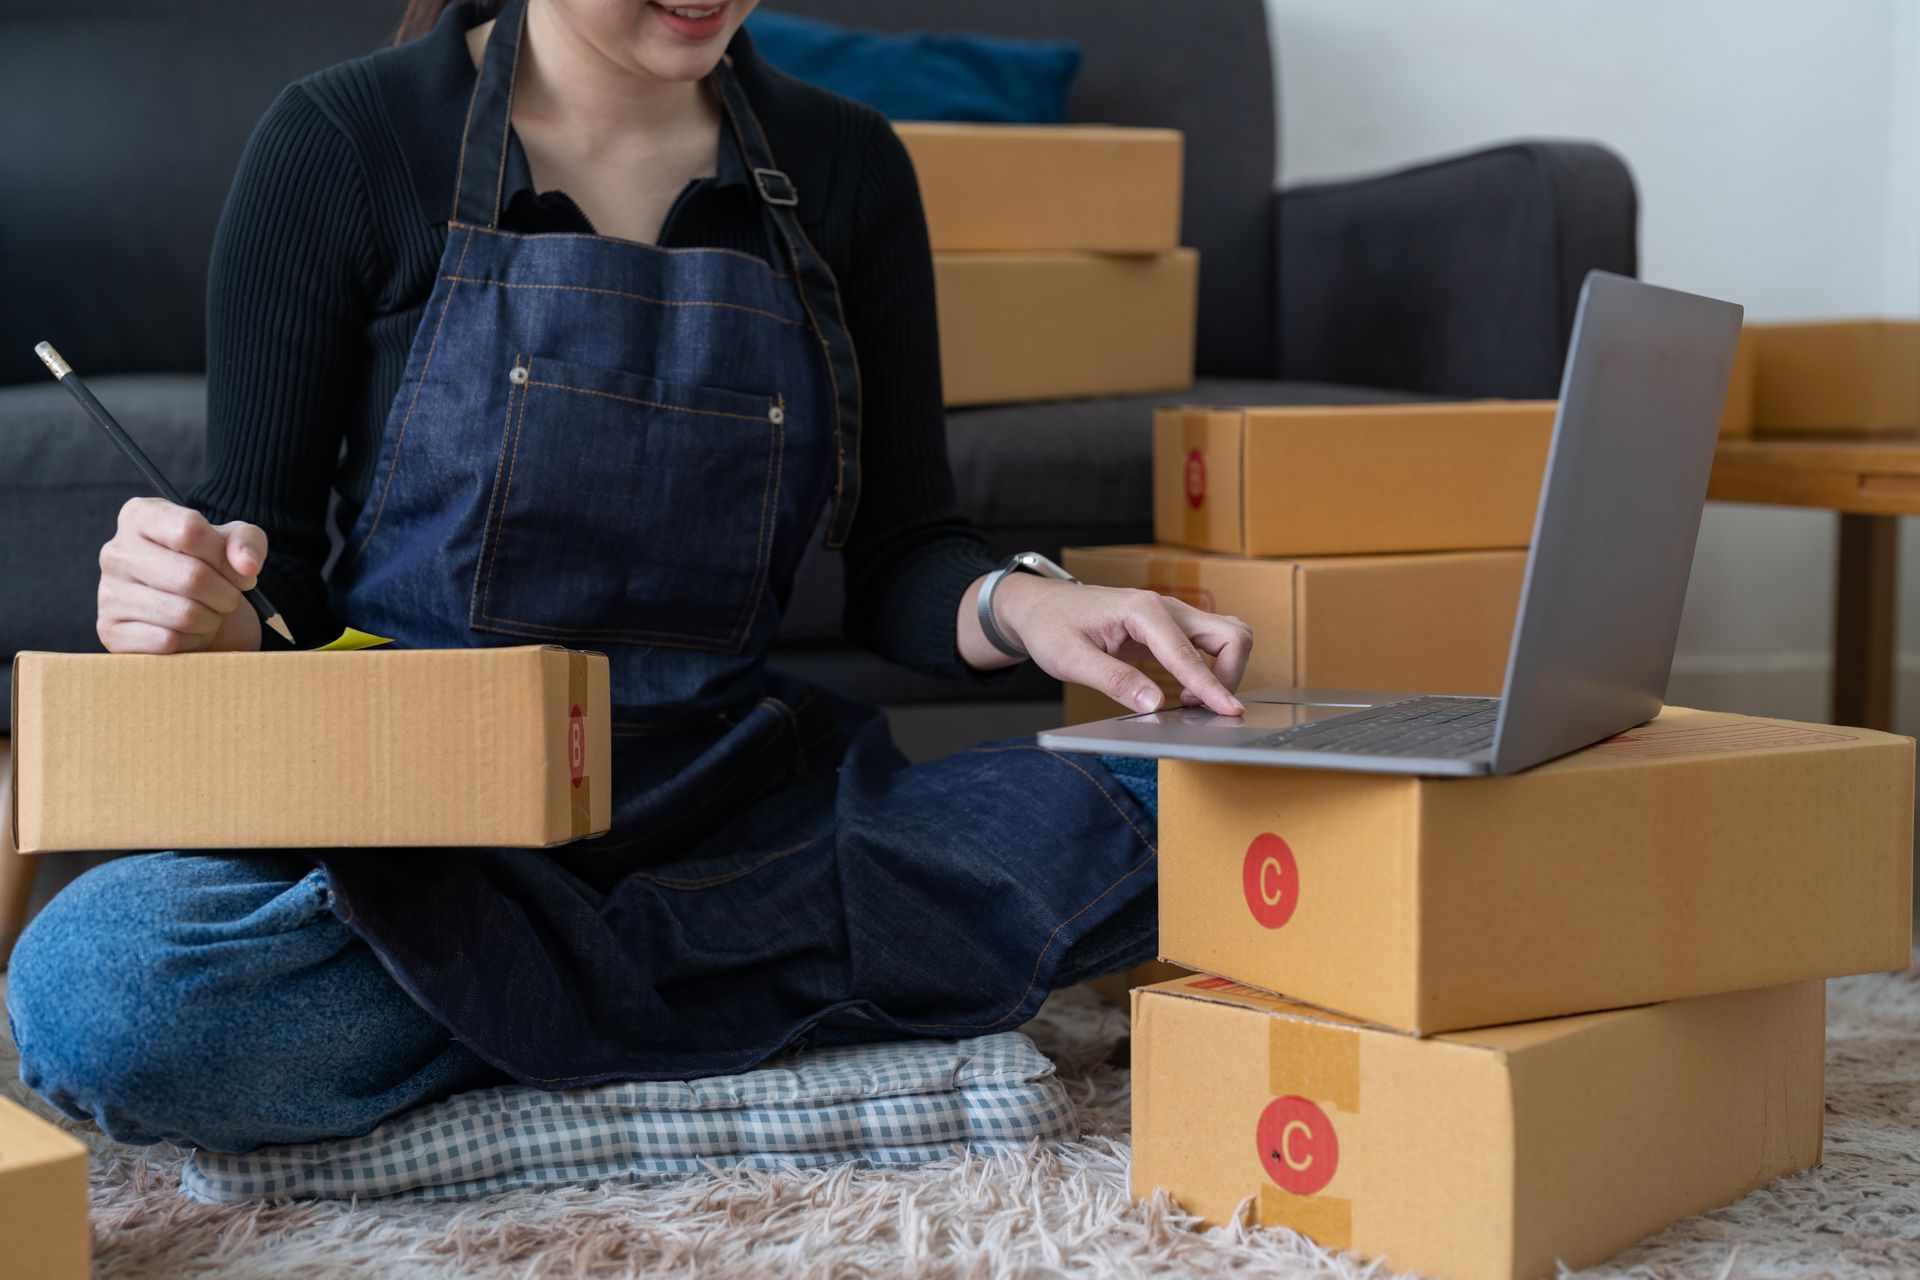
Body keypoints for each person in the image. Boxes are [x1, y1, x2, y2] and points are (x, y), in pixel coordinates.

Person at [7, 0, 1253, 1154]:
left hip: (743, 819)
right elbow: (267, 576)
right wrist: (199, 610)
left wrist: (1032, 601)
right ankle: (739, 1008)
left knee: (1209, 814)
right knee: (104, 993)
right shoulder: (344, 138)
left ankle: (528, 1020)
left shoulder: (849, 163)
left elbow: (904, 553)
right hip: (424, 839)